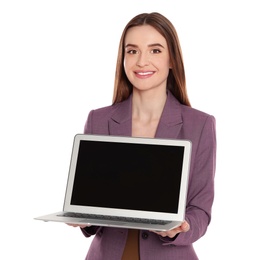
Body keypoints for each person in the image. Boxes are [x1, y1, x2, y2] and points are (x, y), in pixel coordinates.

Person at [68, 12, 216, 260]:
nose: (142, 61)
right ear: (123, 58)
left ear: (172, 59)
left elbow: (200, 209)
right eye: (132, 51)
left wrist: (183, 227)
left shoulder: (199, 125)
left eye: (155, 50)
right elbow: (92, 206)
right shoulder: (99, 119)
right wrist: (83, 218)